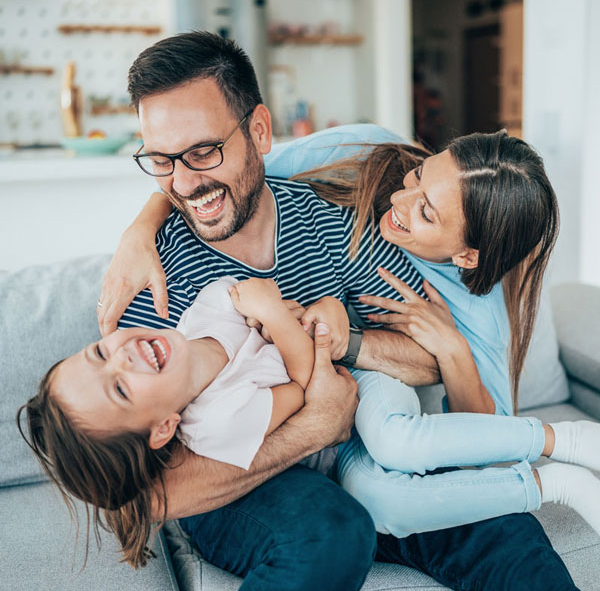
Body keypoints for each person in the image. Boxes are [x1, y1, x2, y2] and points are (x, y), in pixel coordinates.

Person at [92, 31, 580, 590]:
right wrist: (313, 426)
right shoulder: (149, 276)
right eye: (160, 160)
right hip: (244, 489)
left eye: (204, 152)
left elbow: (425, 357)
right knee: (330, 531)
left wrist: (350, 340)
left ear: (258, 131)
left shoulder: (330, 224)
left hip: (356, 462)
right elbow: (145, 491)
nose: (183, 182)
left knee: (503, 529)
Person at [19, 273, 600, 571]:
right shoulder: (210, 420)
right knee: (378, 501)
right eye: (120, 388)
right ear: (162, 427)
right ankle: (555, 472)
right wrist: (284, 322)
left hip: (364, 391)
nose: (122, 356)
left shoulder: (205, 306)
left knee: (463, 500)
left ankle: (563, 445)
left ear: (257, 128)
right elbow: (310, 401)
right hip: (325, 422)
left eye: (100, 353)